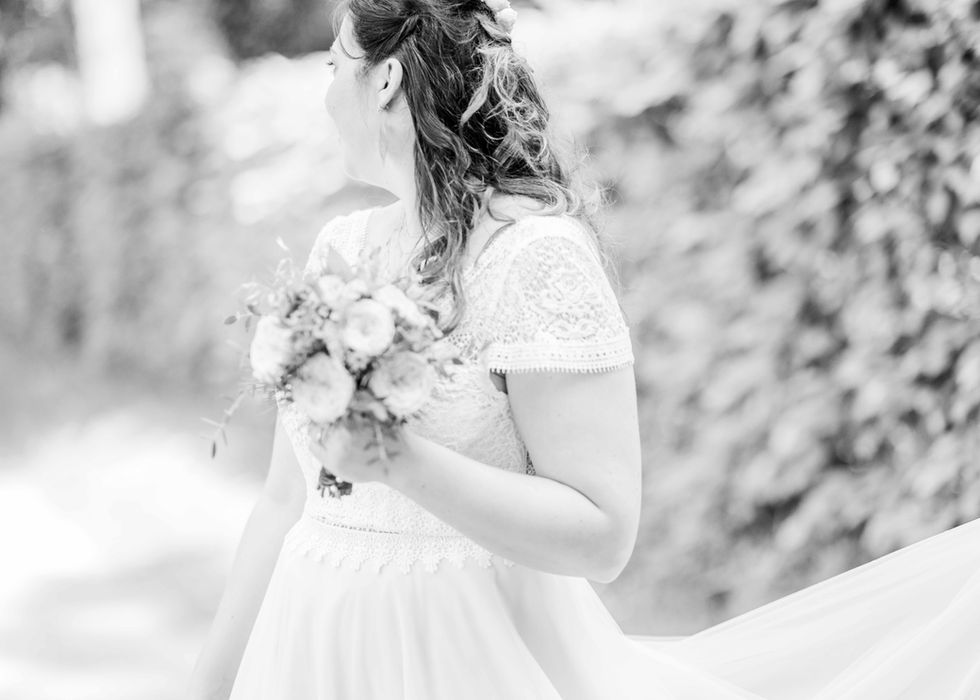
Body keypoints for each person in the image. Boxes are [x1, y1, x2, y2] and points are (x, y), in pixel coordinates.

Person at [186, 0, 980, 698]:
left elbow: (603, 532)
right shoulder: (339, 249)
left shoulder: (532, 256)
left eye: (334, 66)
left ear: (386, 80)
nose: (325, 97)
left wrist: (398, 462)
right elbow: (285, 504)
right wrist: (209, 688)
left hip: (463, 662)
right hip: (313, 650)